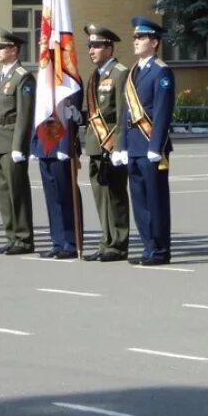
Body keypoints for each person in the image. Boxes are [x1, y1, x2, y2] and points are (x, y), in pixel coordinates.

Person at [117, 17, 175, 266]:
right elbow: (125, 112)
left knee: (155, 199)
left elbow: (163, 111)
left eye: (141, 38)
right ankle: (147, 247)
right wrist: (121, 145)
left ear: (154, 42)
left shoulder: (161, 71)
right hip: (133, 144)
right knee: (139, 199)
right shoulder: (134, 72)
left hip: (151, 146)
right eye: (135, 38)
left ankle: (160, 249)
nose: (136, 42)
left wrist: (156, 146)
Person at [83, 24, 131, 262]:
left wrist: (119, 145)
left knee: (115, 195)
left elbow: (123, 113)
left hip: (111, 142)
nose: (91, 50)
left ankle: (118, 243)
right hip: (94, 143)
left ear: (109, 47)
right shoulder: (95, 76)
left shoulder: (120, 73)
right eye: (90, 45)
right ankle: (106, 241)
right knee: (101, 195)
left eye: (97, 45)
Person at [0, 28, 36, 256]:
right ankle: (11, 236)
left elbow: (24, 115)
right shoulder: (3, 76)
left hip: (11, 143)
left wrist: (19, 146)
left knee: (17, 192)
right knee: (4, 193)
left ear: (14, 50)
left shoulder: (22, 77)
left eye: (2, 47)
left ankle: (23, 238)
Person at [32, 87, 83, 260]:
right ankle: (58, 241)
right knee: (52, 198)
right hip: (44, 144)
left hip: (60, 144)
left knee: (65, 195)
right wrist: (34, 143)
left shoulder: (67, 80)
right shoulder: (45, 77)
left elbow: (70, 115)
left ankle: (70, 242)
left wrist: (65, 145)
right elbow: (38, 112)